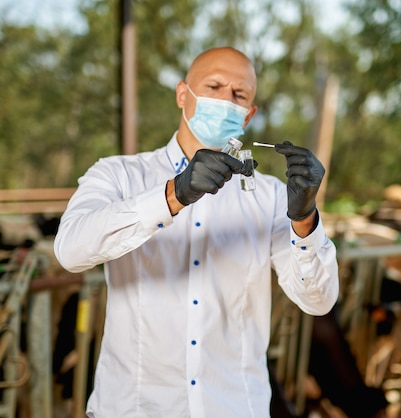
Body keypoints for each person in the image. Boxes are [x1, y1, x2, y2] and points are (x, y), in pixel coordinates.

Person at [54, 46, 339, 418]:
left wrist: (304, 220)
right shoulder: (119, 174)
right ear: (182, 94)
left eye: (239, 95)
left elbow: (317, 300)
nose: (225, 100)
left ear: (249, 115)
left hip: (235, 408)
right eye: (214, 86)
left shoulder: (270, 195)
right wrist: (172, 194)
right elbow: (70, 252)